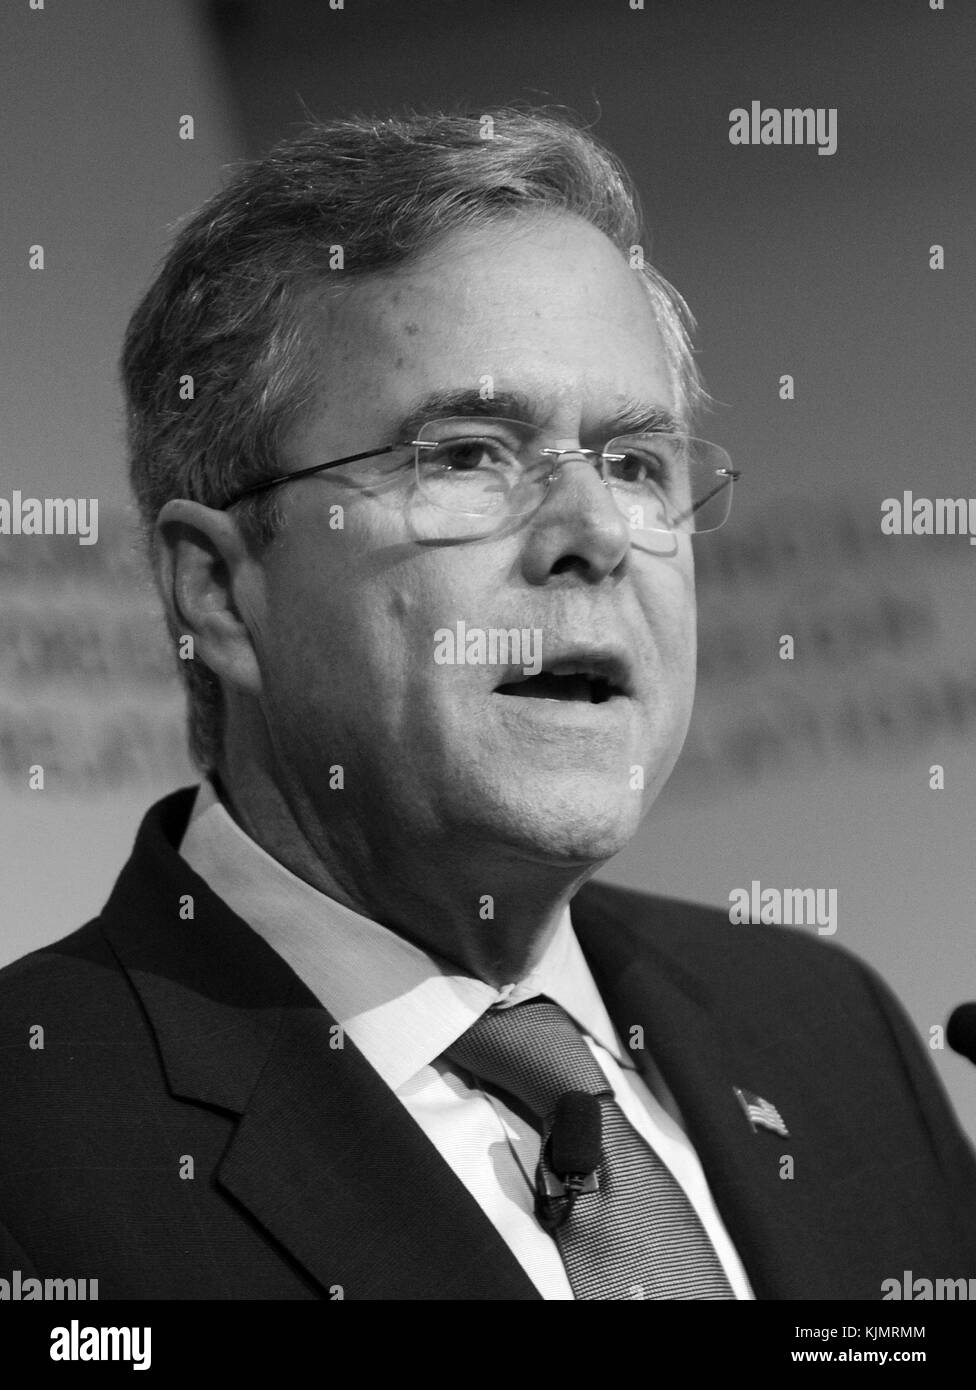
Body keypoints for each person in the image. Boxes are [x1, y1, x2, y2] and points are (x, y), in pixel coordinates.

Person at [1, 109, 974, 1302]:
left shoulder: (825, 1027)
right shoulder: (34, 1138)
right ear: (220, 589)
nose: (593, 539)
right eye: (466, 455)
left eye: (632, 464)